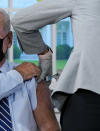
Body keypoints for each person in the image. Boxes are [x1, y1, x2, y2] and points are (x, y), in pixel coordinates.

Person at [12, 0, 100, 130]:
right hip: (89, 99)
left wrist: (44, 55)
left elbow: (21, 21)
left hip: (89, 96)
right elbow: (21, 22)